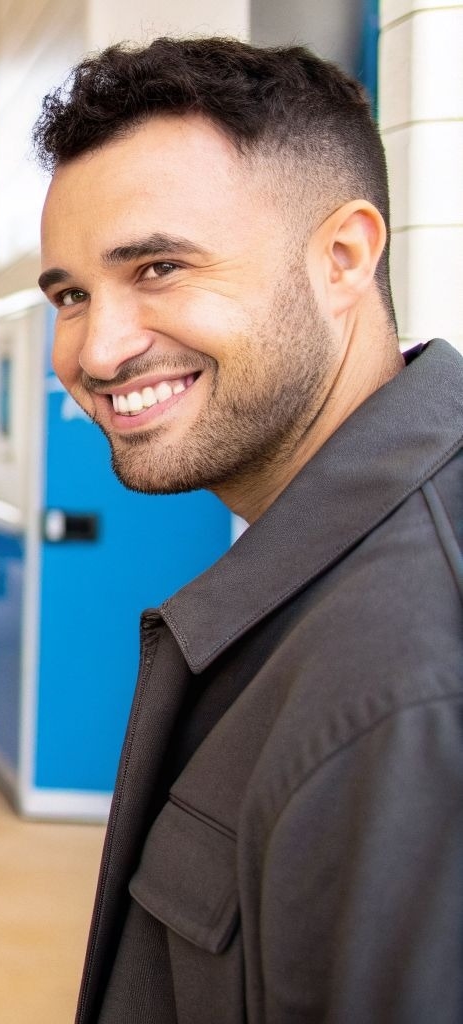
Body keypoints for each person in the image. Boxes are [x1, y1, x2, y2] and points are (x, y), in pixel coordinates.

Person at [35, 37, 462, 1022]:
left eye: (158, 266)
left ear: (342, 258)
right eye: (70, 294)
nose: (96, 349)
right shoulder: (318, 585)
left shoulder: (407, 671)